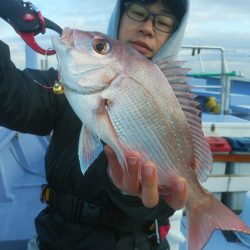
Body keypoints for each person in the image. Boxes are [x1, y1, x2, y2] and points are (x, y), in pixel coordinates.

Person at [0, 0, 189, 249]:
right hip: (58, 237)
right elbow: (12, 97)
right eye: (138, 12)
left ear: (174, 34)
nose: (147, 28)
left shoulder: (178, 107)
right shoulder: (63, 84)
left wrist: (134, 195)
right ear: (118, 16)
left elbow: (169, 197)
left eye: (163, 22)